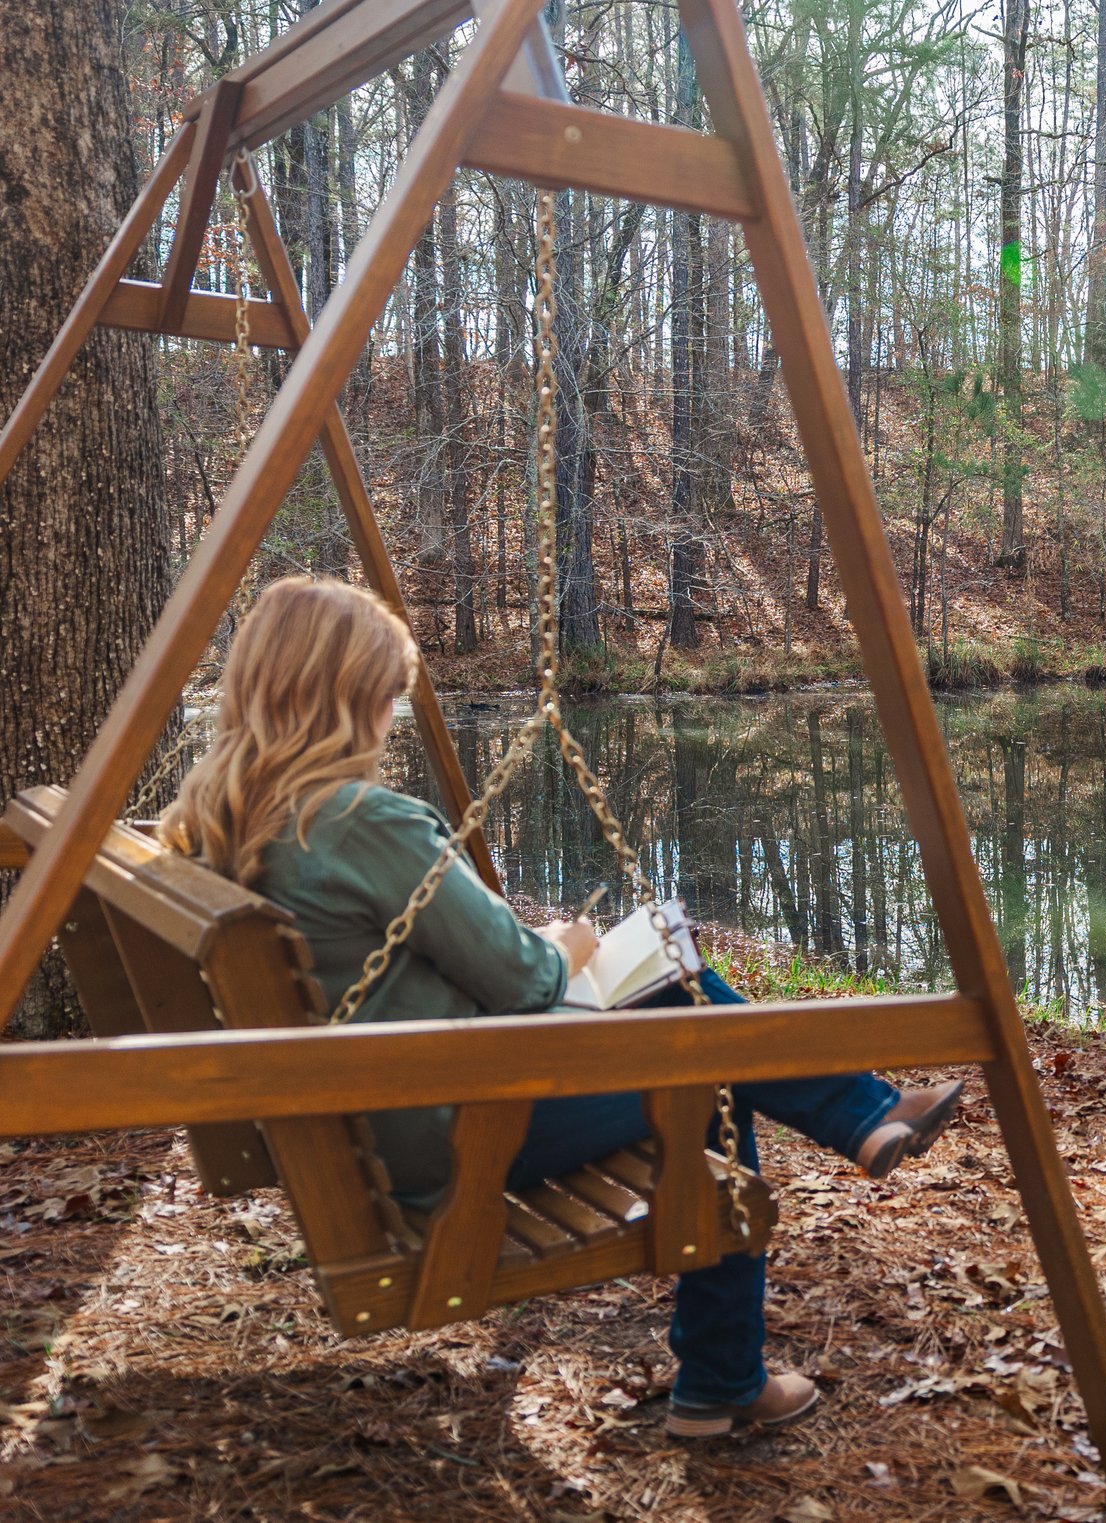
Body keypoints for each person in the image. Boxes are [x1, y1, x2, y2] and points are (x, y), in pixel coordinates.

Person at [159, 576, 961, 1438]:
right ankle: (727, 1378)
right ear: (343, 698)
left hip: (375, 1126)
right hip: (458, 1133)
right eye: (389, 693)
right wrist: (569, 947)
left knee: (681, 987)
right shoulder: (360, 821)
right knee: (710, 1061)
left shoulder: (215, 819)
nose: (394, 715)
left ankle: (866, 1114)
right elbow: (521, 980)